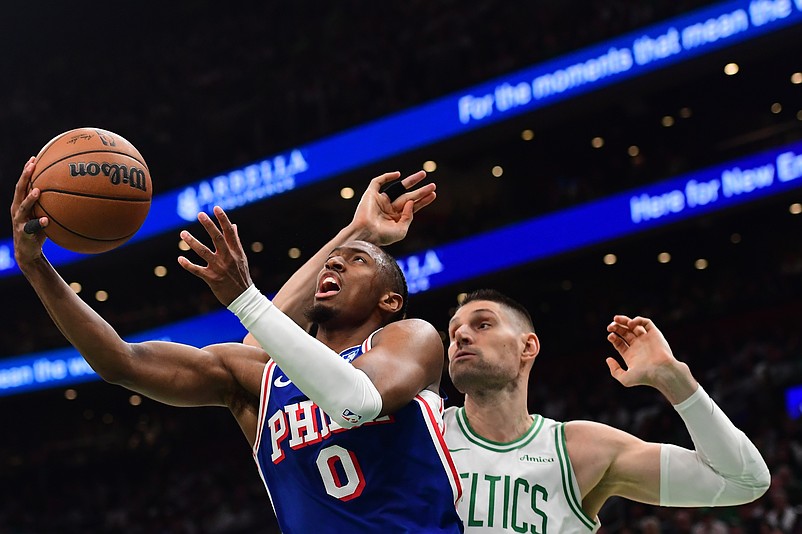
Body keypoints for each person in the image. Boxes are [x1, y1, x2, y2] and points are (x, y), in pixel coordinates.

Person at [11, 158, 463, 533]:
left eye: (357, 260)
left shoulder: (411, 338)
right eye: (332, 262)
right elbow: (120, 361)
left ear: (391, 299)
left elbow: (357, 401)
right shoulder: (258, 378)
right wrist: (35, 266)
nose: (337, 264)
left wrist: (247, 298)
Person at [443, 288, 771, 532]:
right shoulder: (429, 433)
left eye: (483, 324)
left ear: (527, 347)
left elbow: (744, 481)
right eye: (454, 334)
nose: (462, 337)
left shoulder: (580, 449)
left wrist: (675, 380)